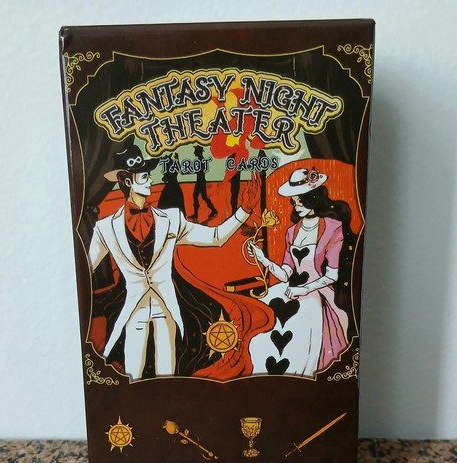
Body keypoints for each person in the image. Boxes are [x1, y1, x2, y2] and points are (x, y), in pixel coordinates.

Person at [89, 144, 259, 381]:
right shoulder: (105, 228)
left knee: (168, 374)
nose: (151, 180)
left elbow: (215, 237)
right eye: (144, 177)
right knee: (133, 374)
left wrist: (244, 210)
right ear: (128, 182)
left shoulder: (171, 219)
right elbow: (86, 269)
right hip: (134, 311)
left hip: (166, 308)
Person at [247, 166, 350, 378]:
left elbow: (332, 275)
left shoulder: (333, 228)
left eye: (300, 200)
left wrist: (303, 290)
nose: (296, 206)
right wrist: (262, 258)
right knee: (264, 318)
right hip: (291, 289)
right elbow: (285, 273)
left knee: (305, 323)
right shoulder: (292, 231)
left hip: (318, 292)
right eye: (294, 201)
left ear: (313, 198)